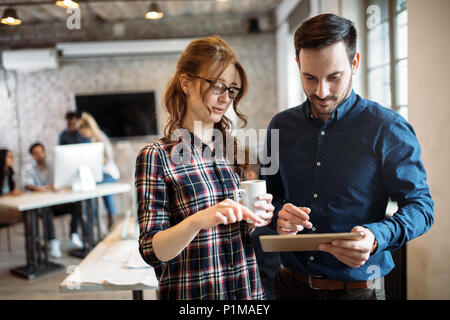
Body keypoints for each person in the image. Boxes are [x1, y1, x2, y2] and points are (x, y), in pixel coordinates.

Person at [260, 13, 434, 300]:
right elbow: (268, 198)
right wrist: (277, 215)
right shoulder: (280, 126)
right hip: (289, 287)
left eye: (334, 77)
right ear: (298, 65)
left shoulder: (387, 127)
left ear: (355, 63)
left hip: (359, 292)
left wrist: (377, 236)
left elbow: (422, 206)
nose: (322, 91)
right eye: (310, 77)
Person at [135, 35, 275, 300]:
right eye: (217, 86)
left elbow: (241, 231)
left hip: (247, 294)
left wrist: (257, 217)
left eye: (231, 90)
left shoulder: (231, 151)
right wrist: (198, 220)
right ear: (186, 83)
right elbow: (152, 251)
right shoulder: (156, 156)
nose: (225, 99)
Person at [22, 142, 83, 258]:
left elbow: (62, 181)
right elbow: (27, 185)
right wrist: (43, 188)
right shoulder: (28, 169)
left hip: (56, 202)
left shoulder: (54, 166)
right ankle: (53, 241)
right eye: (35, 153)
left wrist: (58, 186)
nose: (39, 155)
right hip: (40, 205)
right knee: (46, 210)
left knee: (77, 205)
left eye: (40, 152)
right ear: (32, 155)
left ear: (44, 152)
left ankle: (73, 235)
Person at [78, 112, 120, 222]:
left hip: (108, 174)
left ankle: (111, 226)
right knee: (91, 199)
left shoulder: (101, 137)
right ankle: (93, 226)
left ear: (88, 128)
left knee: (106, 199)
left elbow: (109, 157)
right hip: (96, 175)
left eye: (83, 132)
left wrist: (95, 162)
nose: (82, 135)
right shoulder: (88, 140)